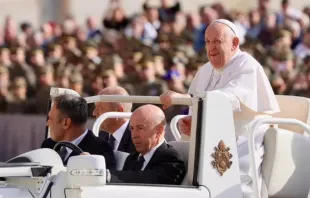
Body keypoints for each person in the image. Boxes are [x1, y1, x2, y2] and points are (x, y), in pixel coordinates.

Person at [160, 19, 280, 196]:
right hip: (209, 142)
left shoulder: (247, 65)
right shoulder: (206, 70)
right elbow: (199, 108)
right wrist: (192, 121)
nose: (211, 48)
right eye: (208, 42)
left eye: (217, 41)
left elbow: (230, 98)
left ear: (234, 43)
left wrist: (188, 98)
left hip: (241, 144)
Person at [108, 104, 186, 185]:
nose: (134, 135)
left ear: (159, 131)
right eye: (132, 128)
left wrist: (108, 175)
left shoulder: (171, 159)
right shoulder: (132, 158)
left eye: (140, 128)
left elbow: (147, 180)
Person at [41, 94, 116, 169]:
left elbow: (107, 179)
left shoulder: (100, 151)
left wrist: (93, 167)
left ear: (66, 123)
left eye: (50, 119)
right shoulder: (48, 146)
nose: (47, 123)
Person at [92, 86, 135, 153]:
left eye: (100, 108)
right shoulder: (101, 136)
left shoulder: (136, 138)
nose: (94, 113)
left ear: (119, 111)